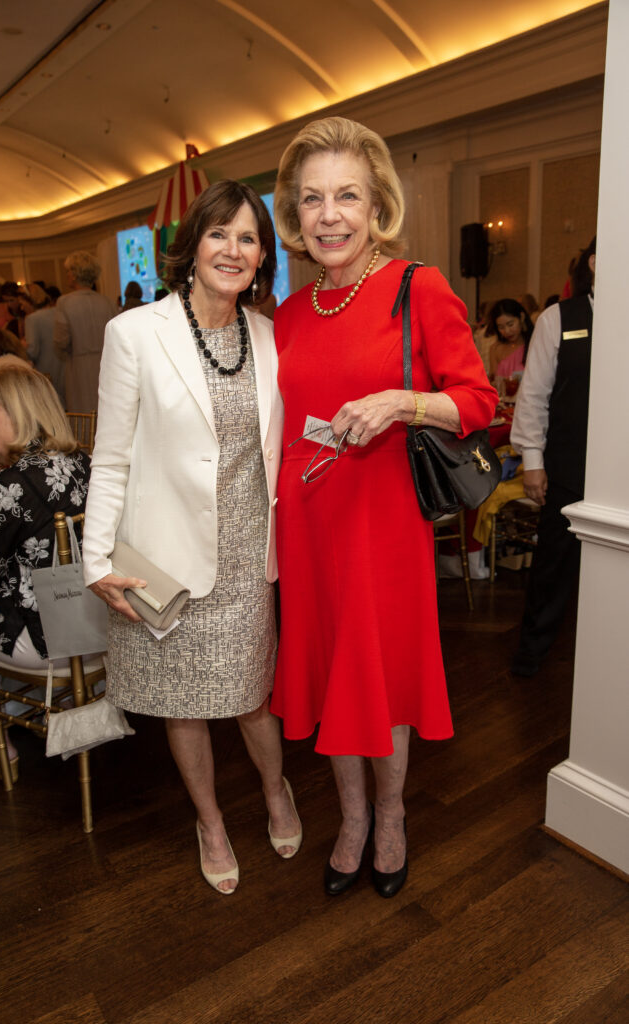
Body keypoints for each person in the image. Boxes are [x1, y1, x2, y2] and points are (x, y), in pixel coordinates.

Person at [271, 116, 497, 898]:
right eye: (311, 200)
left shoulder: (416, 285)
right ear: (293, 217)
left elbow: (476, 400)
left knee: (382, 673)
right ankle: (352, 818)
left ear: (375, 208)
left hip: (381, 520)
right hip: (305, 524)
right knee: (332, 672)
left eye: (346, 197)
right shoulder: (290, 315)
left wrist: (402, 401)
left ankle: (391, 815)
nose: (328, 215)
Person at [82, 180, 301, 895]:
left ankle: (275, 790)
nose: (232, 249)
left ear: (262, 255)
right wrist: (95, 562)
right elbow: (110, 458)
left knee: (250, 698)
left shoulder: (270, 337)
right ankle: (208, 820)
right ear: (191, 245)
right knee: (183, 705)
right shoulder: (135, 334)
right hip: (166, 554)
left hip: (246, 556)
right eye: (218, 234)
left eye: (247, 238)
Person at [0, 367, 91, 778]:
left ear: (13, 413)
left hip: (51, 641)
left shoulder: (12, 483)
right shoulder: (82, 459)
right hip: (102, 626)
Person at [509, 237, 596, 677]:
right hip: (565, 467)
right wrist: (533, 462)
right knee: (553, 569)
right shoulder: (559, 317)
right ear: (595, 265)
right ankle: (531, 654)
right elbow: (534, 396)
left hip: (613, 472)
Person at [53, 251, 119, 413]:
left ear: (75, 275)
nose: (67, 275)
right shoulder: (107, 302)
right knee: (106, 411)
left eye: (68, 271)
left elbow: (61, 340)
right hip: (107, 365)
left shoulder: (65, 302)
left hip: (78, 367)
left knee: (83, 413)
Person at [24, 283, 66, 404]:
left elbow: (32, 351)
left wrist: (21, 347)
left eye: (22, 304)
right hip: (64, 366)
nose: (22, 308)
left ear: (30, 301)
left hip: (45, 369)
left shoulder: (32, 319)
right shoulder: (58, 311)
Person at [485, 298, 534, 380]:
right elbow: (494, 380)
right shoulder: (495, 349)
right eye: (501, 327)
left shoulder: (533, 344)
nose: (507, 331)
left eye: (510, 324)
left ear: (521, 317)